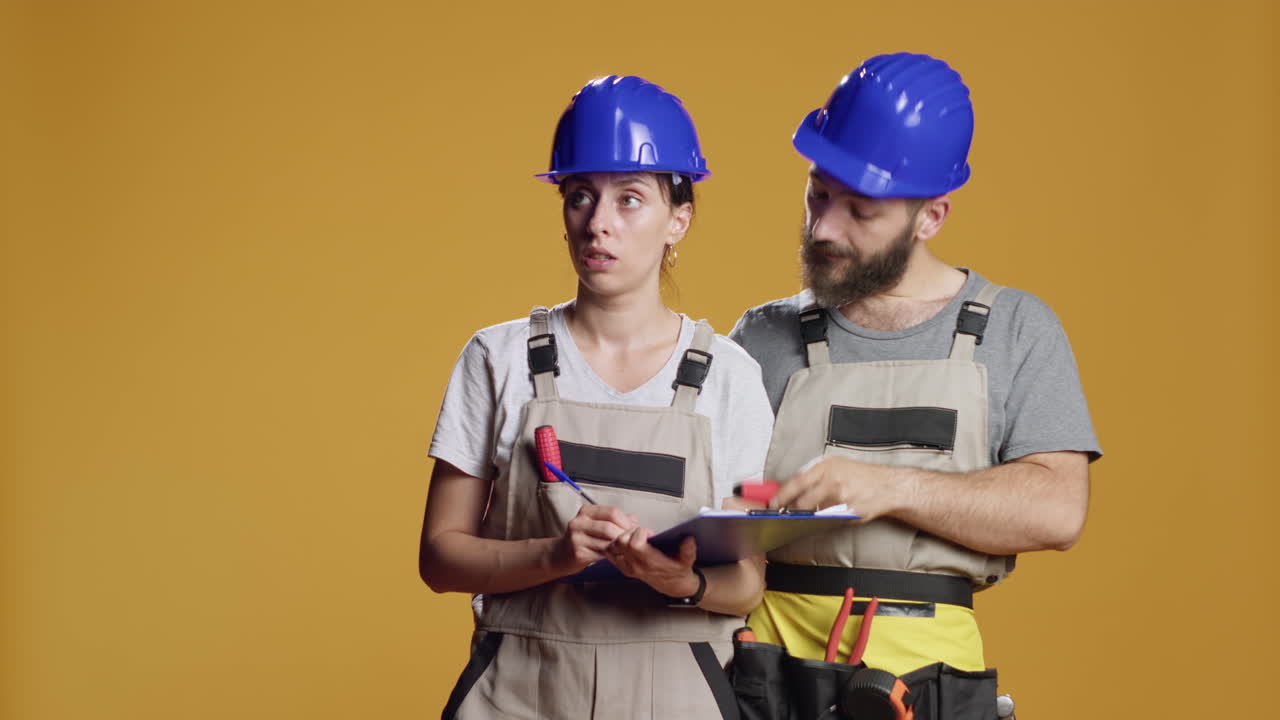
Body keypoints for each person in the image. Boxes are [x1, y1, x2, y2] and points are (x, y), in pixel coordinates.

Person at [728, 53, 1102, 718]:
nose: (823, 228)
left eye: (860, 211)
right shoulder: (760, 336)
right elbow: (711, 505)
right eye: (817, 193)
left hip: (929, 685)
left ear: (931, 216)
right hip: (768, 674)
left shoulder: (1014, 329)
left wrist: (886, 487)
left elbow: (1058, 510)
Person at [420, 75, 773, 720]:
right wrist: (552, 555)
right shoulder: (495, 358)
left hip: (681, 697)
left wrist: (682, 582)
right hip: (519, 693)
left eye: (630, 199)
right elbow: (441, 556)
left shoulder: (731, 376)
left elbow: (747, 582)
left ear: (679, 219)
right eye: (580, 196)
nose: (599, 223)